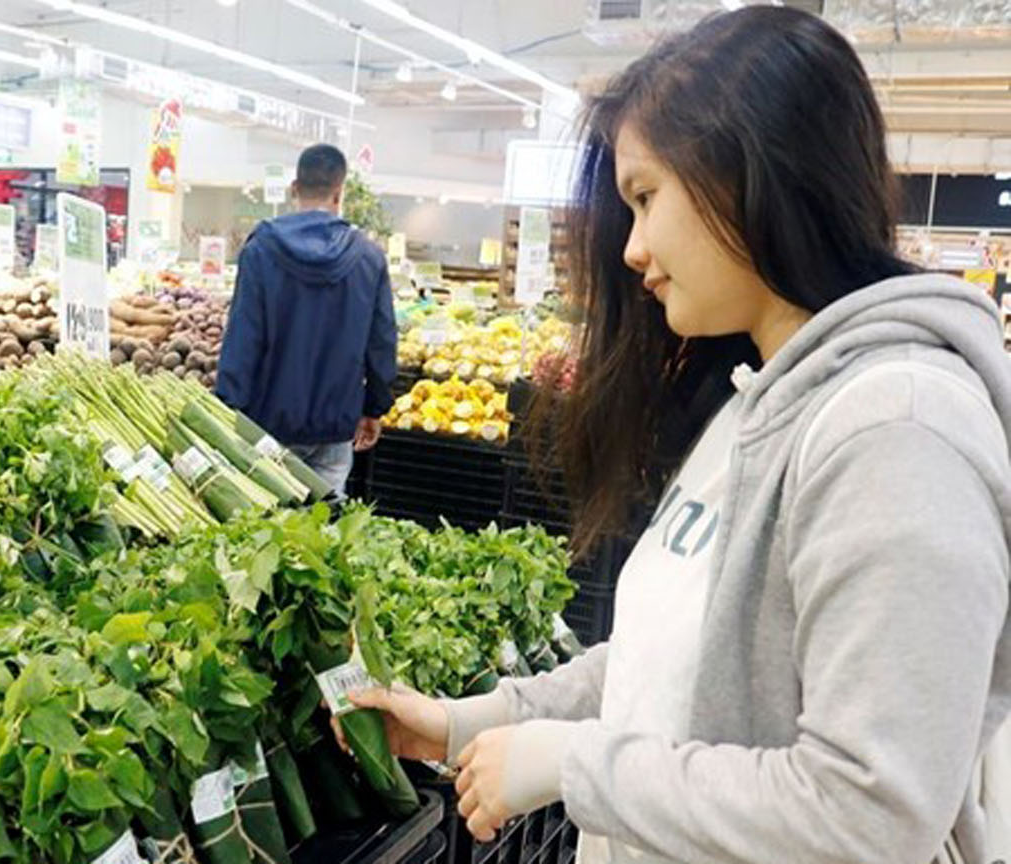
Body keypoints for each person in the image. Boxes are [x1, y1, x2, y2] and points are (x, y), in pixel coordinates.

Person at [346, 8, 1011, 864]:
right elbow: (677, 656)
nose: (631, 249)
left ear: (748, 175)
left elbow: (871, 811)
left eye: (646, 197)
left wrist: (578, 766)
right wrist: (472, 722)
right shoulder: (757, 402)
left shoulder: (898, 431)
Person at [215, 143, 397, 497]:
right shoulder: (369, 258)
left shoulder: (260, 250)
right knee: (323, 529)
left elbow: (243, 337)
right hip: (335, 422)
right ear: (340, 191)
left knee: (264, 526)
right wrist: (374, 407)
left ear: (294, 188)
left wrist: (227, 406)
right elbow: (382, 342)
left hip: (266, 423)